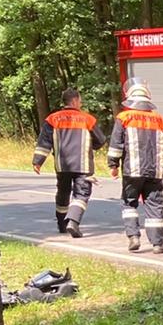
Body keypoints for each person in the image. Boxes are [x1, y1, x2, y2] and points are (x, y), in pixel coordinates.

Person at [108, 79, 163, 254]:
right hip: (155, 172)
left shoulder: (124, 117)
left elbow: (116, 145)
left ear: (130, 99)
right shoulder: (160, 119)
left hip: (132, 171)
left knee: (129, 203)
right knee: (154, 206)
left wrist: (113, 165)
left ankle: (134, 237)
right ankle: (158, 244)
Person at [32, 87, 105, 237]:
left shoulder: (52, 119)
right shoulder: (88, 119)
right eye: (80, 100)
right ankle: (73, 222)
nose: (81, 103)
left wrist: (37, 161)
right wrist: (93, 146)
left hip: (62, 164)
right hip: (83, 165)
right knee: (81, 194)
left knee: (63, 193)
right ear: (75, 101)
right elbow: (101, 141)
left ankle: (62, 224)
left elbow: (44, 142)